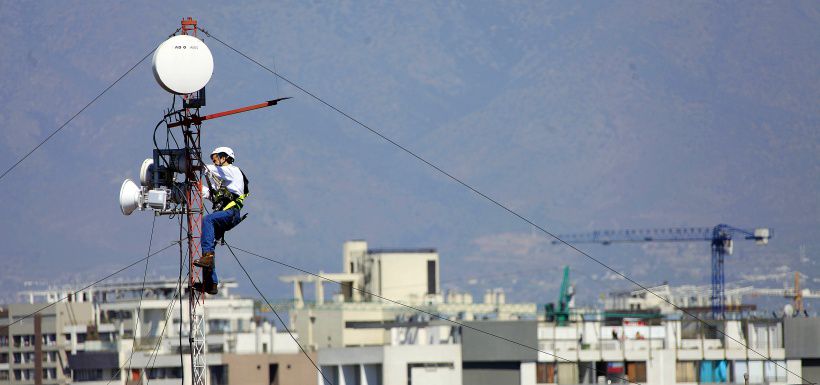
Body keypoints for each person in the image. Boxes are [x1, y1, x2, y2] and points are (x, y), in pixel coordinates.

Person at [193, 146, 249, 294]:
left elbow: (211, 170)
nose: (214, 161)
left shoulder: (232, 171)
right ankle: (211, 284)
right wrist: (194, 183)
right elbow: (211, 195)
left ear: (225, 157)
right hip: (227, 213)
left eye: (216, 157)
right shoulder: (225, 184)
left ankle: (207, 258)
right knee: (209, 242)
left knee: (207, 221)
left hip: (231, 213)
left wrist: (199, 166)